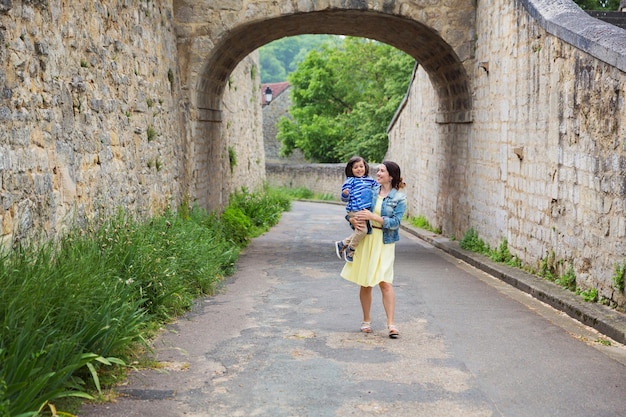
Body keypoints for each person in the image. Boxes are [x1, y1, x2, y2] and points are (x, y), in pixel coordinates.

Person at [340, 161, 407, 339]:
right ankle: (366, 321)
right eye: (378, 171)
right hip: (367, 239)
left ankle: (391, 324)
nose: (377, 173)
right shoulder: (370, 190)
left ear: (391, 176)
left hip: (384, 241)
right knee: (366, 282)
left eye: (382, 171)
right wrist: (351, 220)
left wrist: (373, 216)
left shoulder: (399, 198)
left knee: (385, 282)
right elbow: (353, 209)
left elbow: (395, 223)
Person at [334, 156, 378, 263]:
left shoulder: (370, 180)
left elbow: (378, 188)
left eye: (361, 166)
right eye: (355, 167)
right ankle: (350, 249)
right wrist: (345, 194)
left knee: (361, 230)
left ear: (365, 167)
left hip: (365, 210)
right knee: (363, 230)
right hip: (355, 209)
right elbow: (345, 197)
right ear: (351, 170)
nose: (359, 169)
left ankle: (343, 244)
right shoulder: (350, 181)